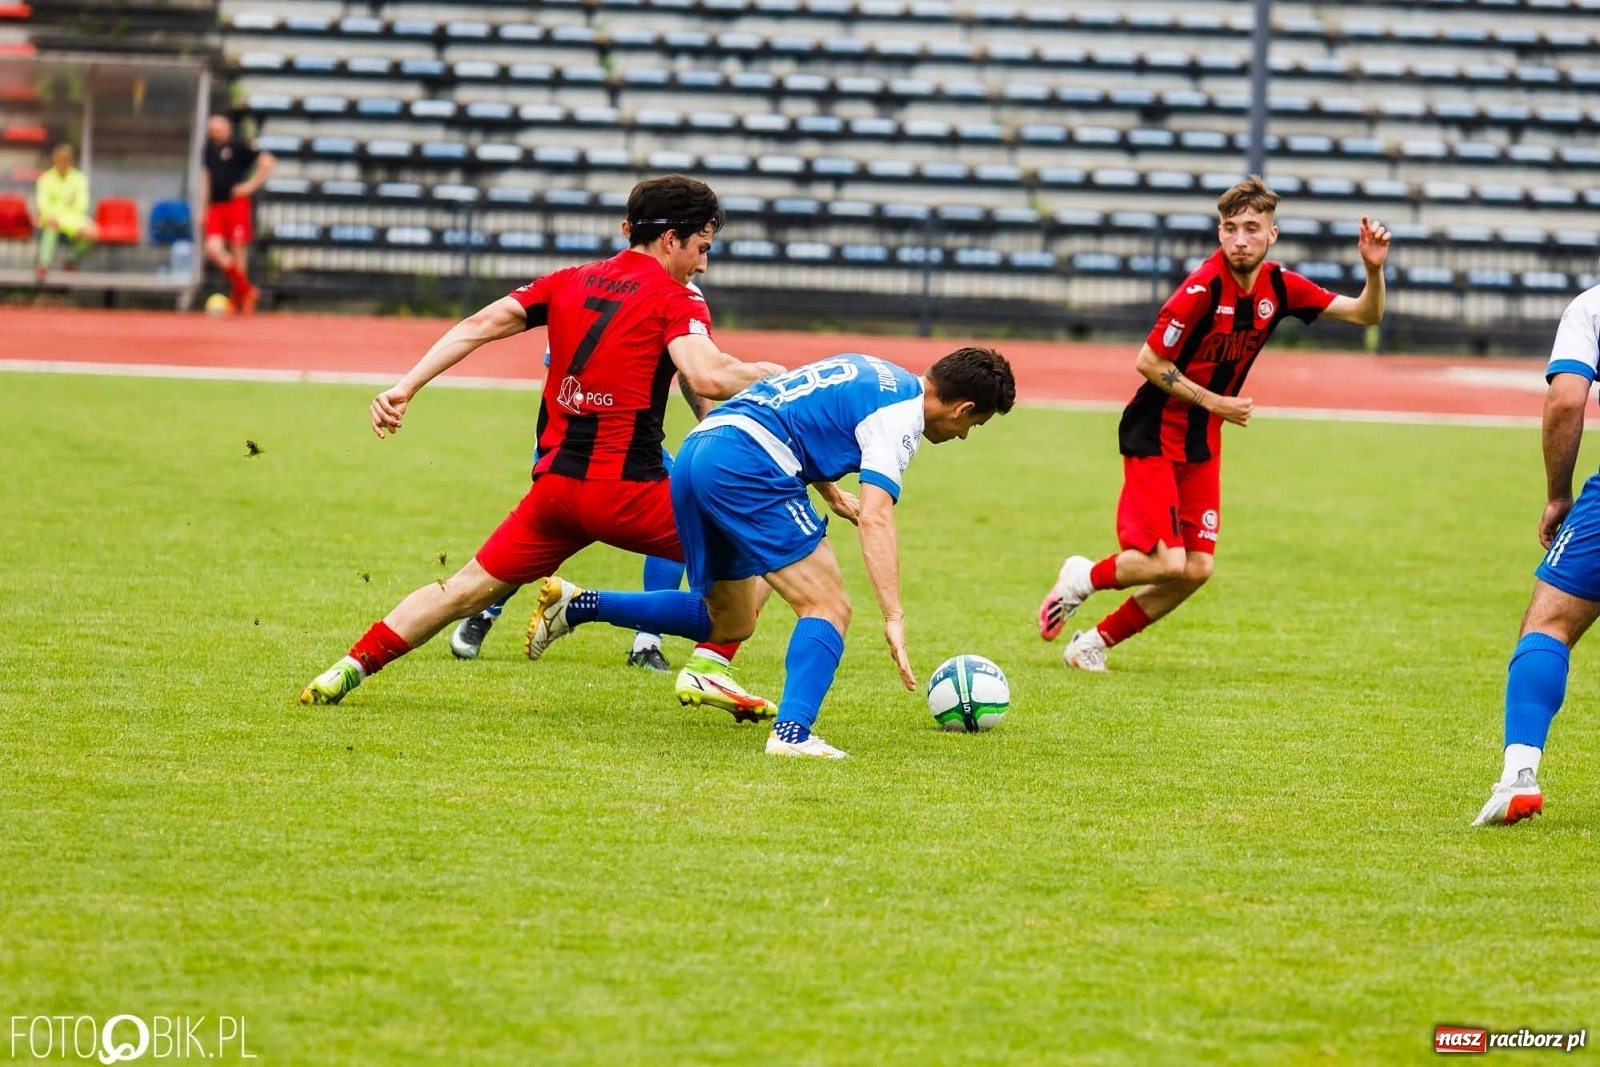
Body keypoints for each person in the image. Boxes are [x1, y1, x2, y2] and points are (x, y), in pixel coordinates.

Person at [299, 176, 787, 716]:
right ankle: (707, 666)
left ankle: (348, 666)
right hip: (630, 494)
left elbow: (481, 324)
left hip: (554, 493)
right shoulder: (675, 299)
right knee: (768, 563)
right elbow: (706, 375)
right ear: (671, 239)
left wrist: (405, 386)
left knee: (462, 589)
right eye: (701, 248)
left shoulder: (569, 280)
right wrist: (775, 376)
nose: (701, 266)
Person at [523, 347, 1016, 759]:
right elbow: (877, 517)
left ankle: (579, 605)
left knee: (729, 620)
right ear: (962, 408)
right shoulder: (901, 419)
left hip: (702, 449)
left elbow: (797, 414)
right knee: (828, 605)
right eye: (975, 424)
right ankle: (793, 735)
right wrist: (894, 615)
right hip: (747, 466)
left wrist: (827, 493)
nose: (965, 435)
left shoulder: (873, 368)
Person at [1038, 176, 1391, 670]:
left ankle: (1092, 642)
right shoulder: (1200, 289)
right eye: (1230, 228)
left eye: (1251, 228)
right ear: (1219, 233)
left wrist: (1373, 272)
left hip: (1201, 440)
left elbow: (1364, 314)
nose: (1240, 239)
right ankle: (1082, 577)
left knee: (1197, 568)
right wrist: (1216, 402)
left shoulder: (1280, 287)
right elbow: (1148, 361)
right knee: (1166, 562)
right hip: (1154, 431)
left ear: (1272, 234)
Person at [450, 288, 717, 674]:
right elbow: (560, 373)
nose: (702, 264)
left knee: (682, 514)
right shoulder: (590, 289)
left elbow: (694, 371)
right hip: (577, 445)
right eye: (700, 246)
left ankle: (647, 641)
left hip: (636, 446)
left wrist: (708, 422)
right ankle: (484, 611)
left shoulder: (683, 294)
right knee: (543, 534)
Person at [1472, 277, 1600, 826]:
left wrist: (1557, 494)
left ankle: (1519, 776)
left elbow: (1567, 398)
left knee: (1548, 623)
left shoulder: (1592, 305)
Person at [201, 114, 275, 314]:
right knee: (213, 248)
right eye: (213, 129)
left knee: (238, 250)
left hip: (236, 203)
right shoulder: (208, 149)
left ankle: (238, 299)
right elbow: (206, 179)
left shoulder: (239, 146)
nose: (217, 132)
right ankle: (247, 289)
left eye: (220, 127)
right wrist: (203, 208)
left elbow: (268, 162)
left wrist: (250, 186)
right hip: (216, 206)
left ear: (228, 128)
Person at [33, 144, 97, 281]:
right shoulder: (45, 179)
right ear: (54, 160)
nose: (63, 162)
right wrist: (65, 205)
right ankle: (44, 265)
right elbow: (42, 206)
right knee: (52, 225)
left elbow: (81, 206)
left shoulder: (79, 179)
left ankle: (71, 260)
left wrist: (59, 207)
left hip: (73, 221)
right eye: (60, 159)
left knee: (93, 233)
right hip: (51, 220)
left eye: (66, 159)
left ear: (70, 161)